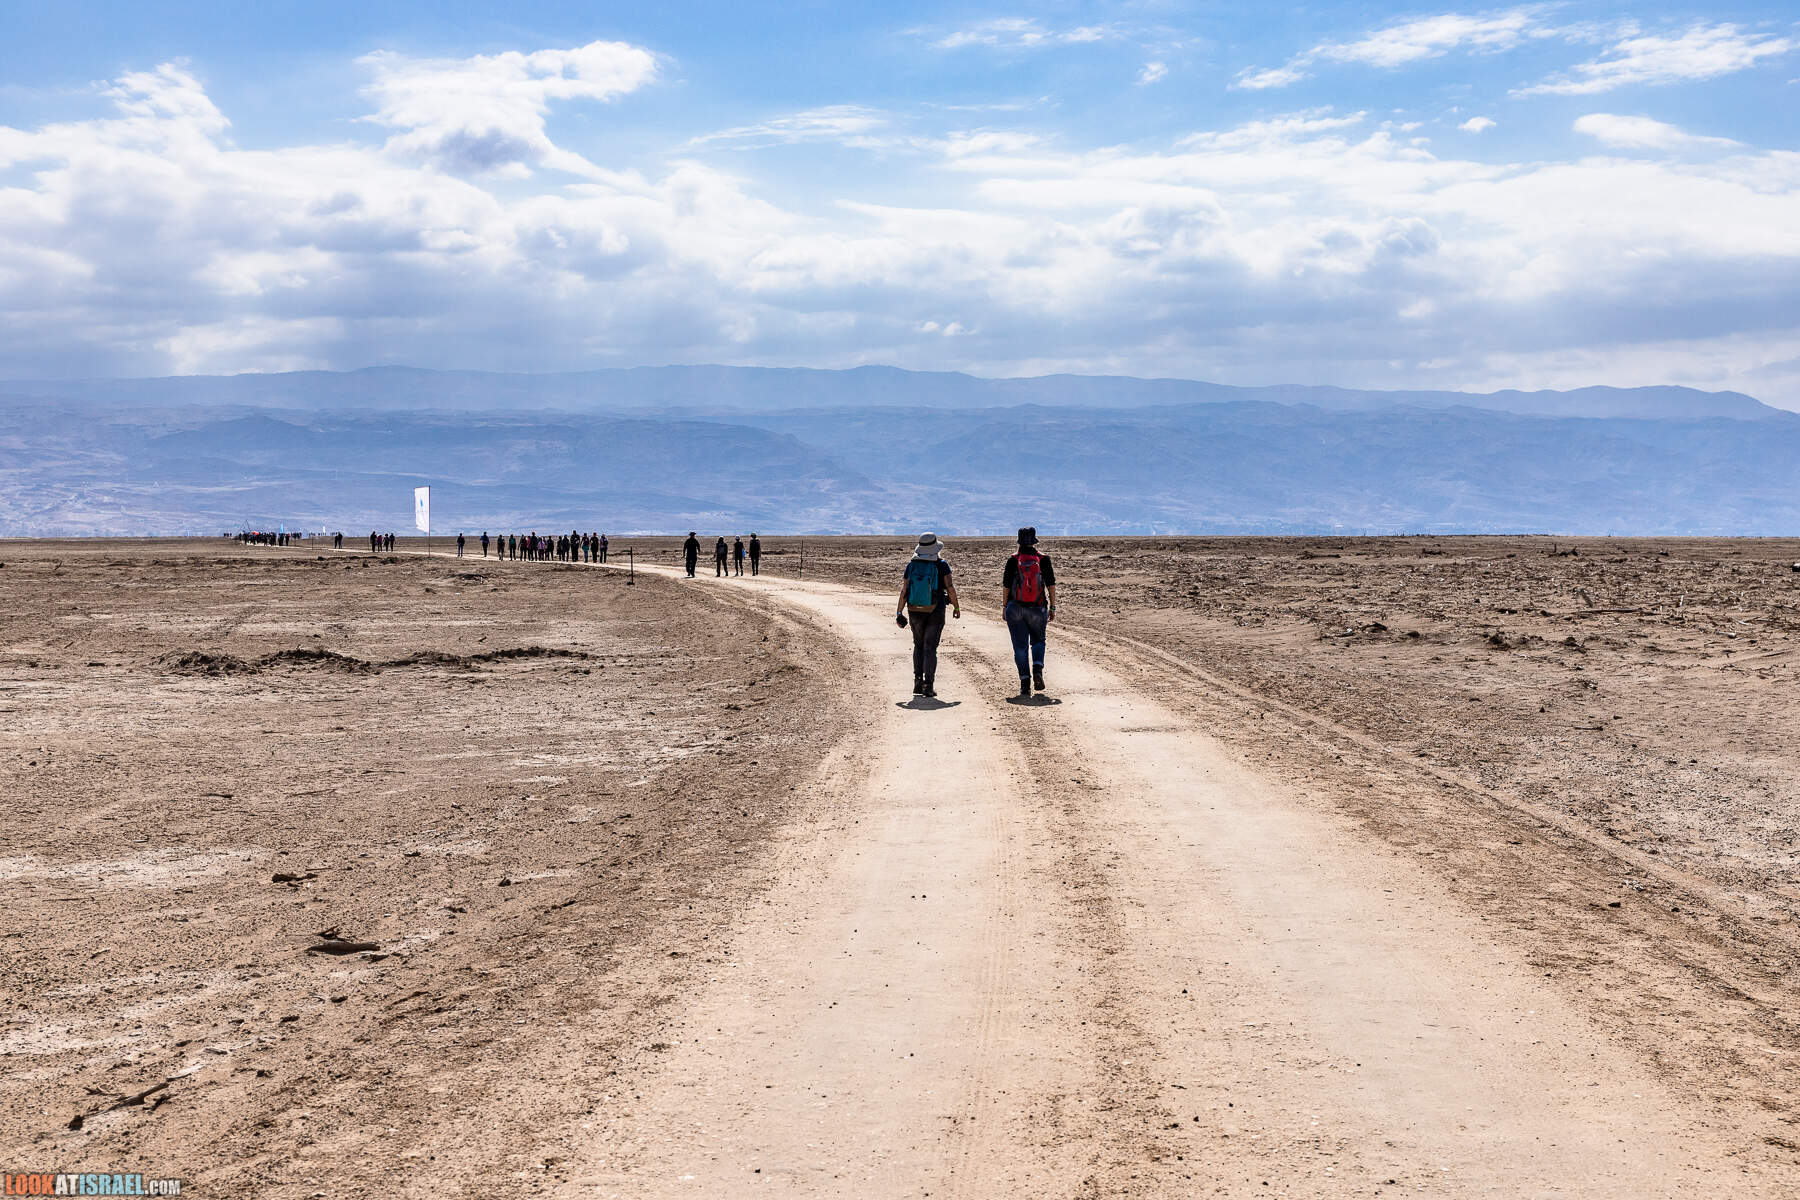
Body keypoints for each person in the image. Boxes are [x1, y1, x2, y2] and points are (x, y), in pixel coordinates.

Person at [895, 533, 960, 697]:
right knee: (930, 647)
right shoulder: (942, 565)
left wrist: (899, 612)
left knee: (918, 644)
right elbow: (950, 587)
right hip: (935, 610)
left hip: (914, 610)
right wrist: (956, 607)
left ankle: (917, 681)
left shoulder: (911, 566)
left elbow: (905, 590)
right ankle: (928, 685)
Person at [1001, 526, 1057, 698]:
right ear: (1034, 541)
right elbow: (1051, 585)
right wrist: (1052, 607)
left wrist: (1004, 607)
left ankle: (1025, 683)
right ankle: (1038, 668)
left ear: (1019, 541)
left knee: (1020, 646)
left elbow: (1006, 586)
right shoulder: (1043, 559)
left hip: (1016, 607)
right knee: (1039, 640)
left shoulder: (1013, 560)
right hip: (1037, 607)